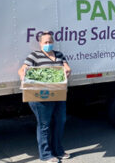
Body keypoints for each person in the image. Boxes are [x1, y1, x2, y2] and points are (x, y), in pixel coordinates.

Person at [19, 31, 72, 163]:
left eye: (50, 42)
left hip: (58, 95)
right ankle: (46, 154)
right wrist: (24, 76)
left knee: (60, 122)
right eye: (45, 42)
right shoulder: (34, 56)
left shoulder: (59, 55)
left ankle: (58, 150)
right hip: (41, 98)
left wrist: (67, 70)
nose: (48, 44)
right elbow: (22, 69)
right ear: (40, 43)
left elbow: (67, 68)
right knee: (44, 125)